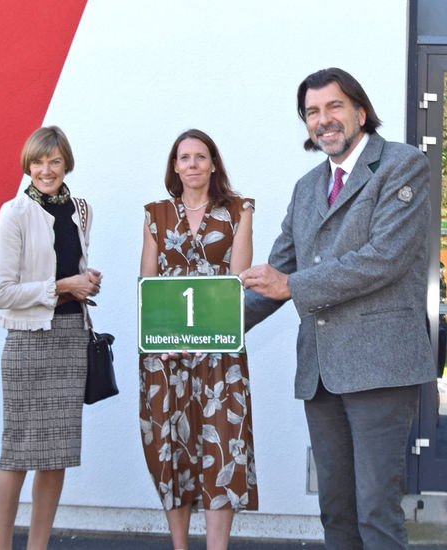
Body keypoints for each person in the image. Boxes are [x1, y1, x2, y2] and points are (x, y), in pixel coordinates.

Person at [240, 67, 435, 549]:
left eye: (334, 107)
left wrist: (291, 285)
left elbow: (383, 259)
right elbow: (276, 275)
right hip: (322, 373)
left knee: (376, 512)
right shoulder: (307, 187)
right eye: (312, 112)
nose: (323, 119)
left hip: (380, 367)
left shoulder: (402, 165)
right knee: (336, 510)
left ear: (360, 113)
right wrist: (206, 332)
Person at [139, 129, 257, 550]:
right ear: (174, 166)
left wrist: (205, 332)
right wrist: (161, 339)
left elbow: (237, 283)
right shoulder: (155, 214)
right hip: (165, 354)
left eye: (200, 156)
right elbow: (147, 284)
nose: (192, 164)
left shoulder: (239, 210)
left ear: (213, 164)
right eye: (184, 157)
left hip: (220, 349)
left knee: (223, 448)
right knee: (172, 451)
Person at [0, 126, 102, 550]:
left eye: (54, 161)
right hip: (27, 342)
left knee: (56, 458)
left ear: (66, 163)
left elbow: (70, 270)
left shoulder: (82, 209)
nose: (46, 170)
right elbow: (2, 294)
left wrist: (85, 281)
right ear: (28, 165)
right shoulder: (14, 212)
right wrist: (61, 286)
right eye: (38, 162)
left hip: (71, 339)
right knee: (17, 454)